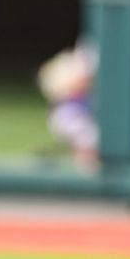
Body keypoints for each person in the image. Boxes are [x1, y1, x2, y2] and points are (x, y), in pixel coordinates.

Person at [36, 39, 99, 168]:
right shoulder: (69, 101)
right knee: (87, 138)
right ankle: (87, 163)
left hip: (73, 119)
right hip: (71, 119)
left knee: (87, 139)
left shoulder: (83, 96)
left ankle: (86, 161)